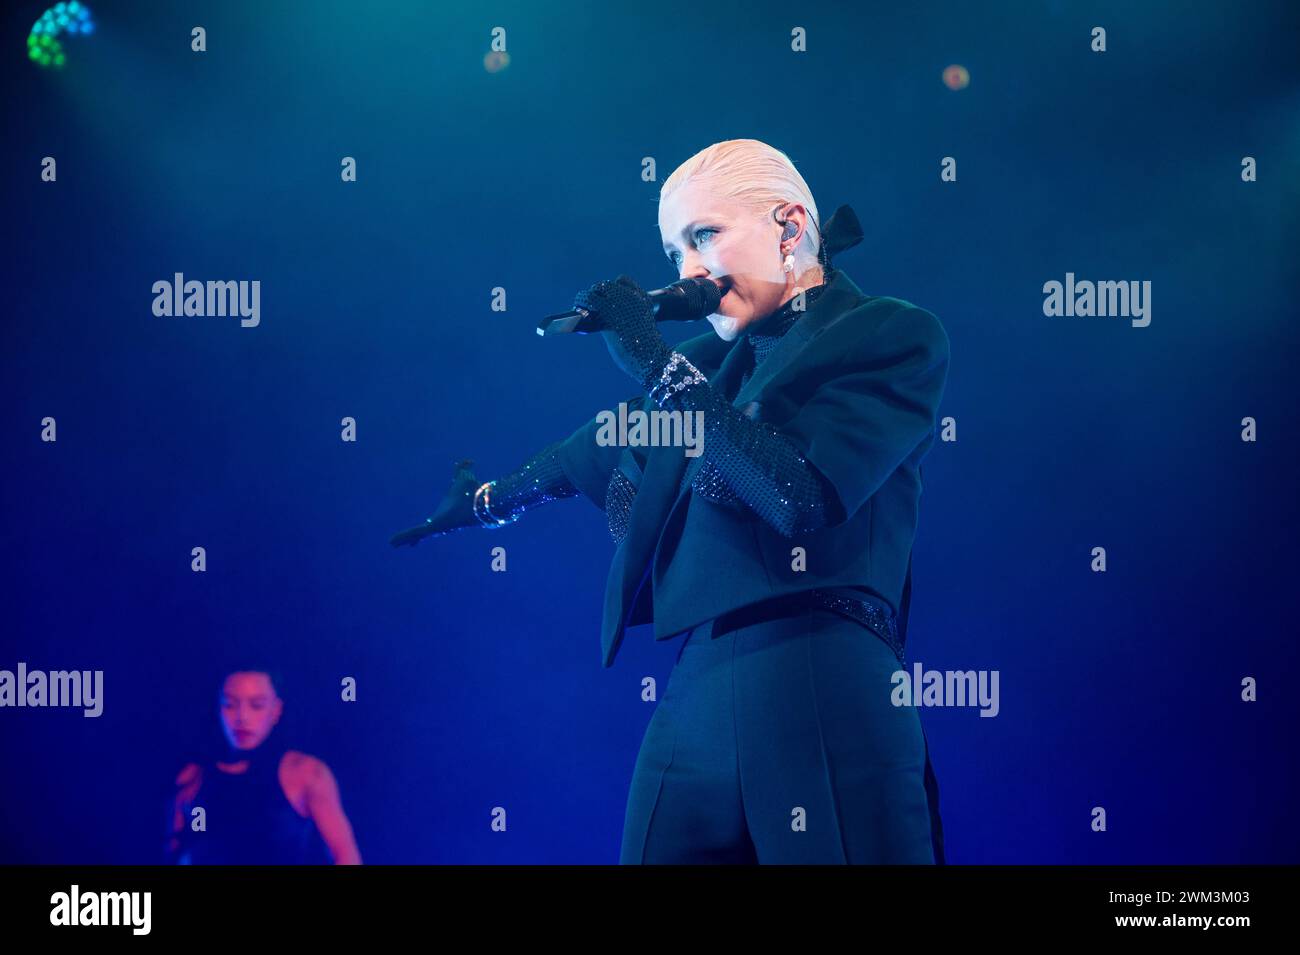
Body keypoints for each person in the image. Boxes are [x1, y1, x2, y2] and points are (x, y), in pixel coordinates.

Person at [392, 138, 950, 864]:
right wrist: (482, 502)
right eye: (674, 252)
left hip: (820, 667)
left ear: (788, 226)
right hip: (698, 684)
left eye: (704, 236)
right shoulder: (712, 369)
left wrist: (656, 364)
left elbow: (800, 497)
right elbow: (579, 455)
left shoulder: (888, 332)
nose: (689, 272)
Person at [167, 668, 362, 865]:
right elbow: (174, 851)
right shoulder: (192, 777)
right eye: (230, 704)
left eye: (256, 705)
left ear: (276, 711)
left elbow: (346, 855)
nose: (242, 717)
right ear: (218, 709)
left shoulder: (305, 773)